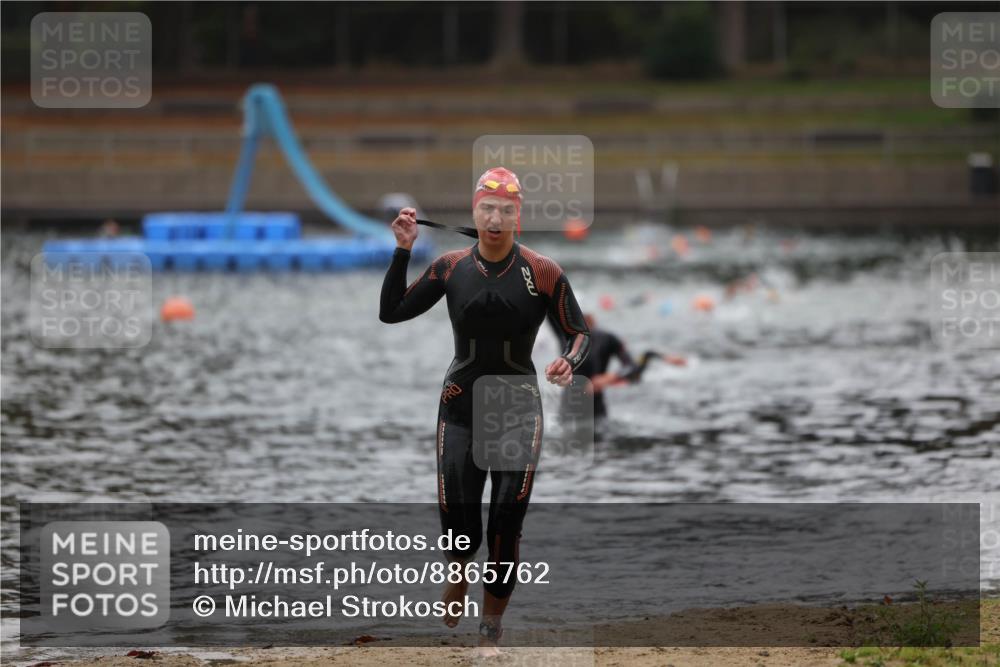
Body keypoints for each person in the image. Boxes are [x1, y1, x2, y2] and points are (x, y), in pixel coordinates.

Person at [379, 167, 590, 655]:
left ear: (519, 216)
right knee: (459, 521)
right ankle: (457, 572)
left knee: (506, 523)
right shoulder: (451, 267)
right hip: (459, 406)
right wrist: (403, 250)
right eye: (487, 208)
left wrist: (568, 362)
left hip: (517, 407)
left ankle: (490, 629)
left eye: (506, 211)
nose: (495, 218)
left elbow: (579, 332)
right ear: (475, 212)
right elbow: (392, 312)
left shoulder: (543, 271)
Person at [551, 308, 686, 423]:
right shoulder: (564, 335)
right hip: (567, 412)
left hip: (596, 413)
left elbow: (632, 368)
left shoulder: (607, 339)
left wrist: (610, 377)